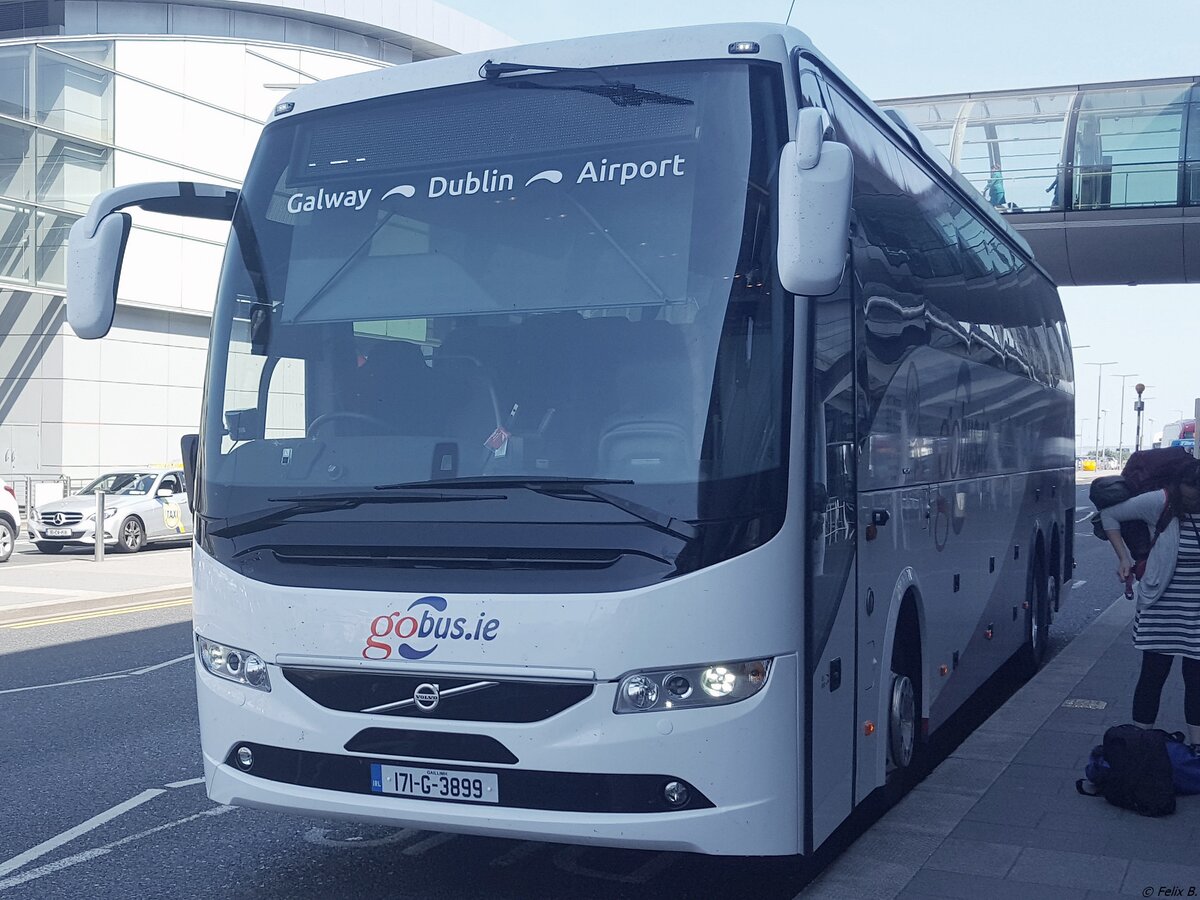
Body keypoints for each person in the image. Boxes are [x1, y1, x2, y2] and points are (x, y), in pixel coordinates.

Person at [1102, 462, 1200, 748]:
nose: (1192, 495)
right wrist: (1123, 558)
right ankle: (1140, 744)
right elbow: (1109, 515)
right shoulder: (1162, 502)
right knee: (1152, 675)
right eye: (1189, 488)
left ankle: (1197, 749)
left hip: (1197, 611)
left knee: (1196, 680)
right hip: (1161, 606)